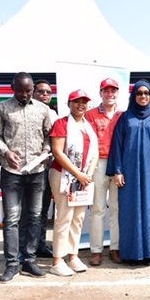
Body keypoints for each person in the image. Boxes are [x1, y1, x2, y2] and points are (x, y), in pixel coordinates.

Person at [0, 72, 52, 283]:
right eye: (21, 91)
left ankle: (29, 259)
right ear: (12, 88)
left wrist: (45, 152)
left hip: (36, 172)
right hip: (11, 171)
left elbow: (48, 136)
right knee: (12, 218)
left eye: (29, 90)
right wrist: (6, 152)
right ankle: (11, 263)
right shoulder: (2, 108)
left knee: (34, 216)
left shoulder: (44, 109)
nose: (25, 95)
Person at [107, 81, 150, 263]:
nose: (143, 96)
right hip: (130, 172)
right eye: (139, 93)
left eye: (146, 93)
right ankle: (132, 253)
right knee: (131, 210)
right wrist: (117, 170)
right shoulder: (125, 118)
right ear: (133, 96)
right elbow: (117, 146)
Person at [48, 90, 99, 276]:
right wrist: (78, 174)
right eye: (76, 102)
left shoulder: (88, 126)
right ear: (69, 104)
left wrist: (88, 175)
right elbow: (57, 151)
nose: (80, 105)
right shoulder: (61, 123)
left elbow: (95, 153)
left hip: (83, 178)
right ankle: (57, 260)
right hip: (64, 175)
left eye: (84, 102)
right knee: (64, 217)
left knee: (78, 218)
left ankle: (73, 256)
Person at [85, 78, 123, 266]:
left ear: (117, 93)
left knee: (116, 209)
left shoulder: (123, 115)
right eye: (106, 91)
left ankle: (114, 248)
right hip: (98, 163)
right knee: (98, 209)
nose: (110, 94)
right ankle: (96, 250)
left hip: (118, 165)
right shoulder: (91, 114)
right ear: (100, 93)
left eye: (113, 91)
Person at [22, 79, 57, 259]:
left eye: (48, 93)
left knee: (43, 208)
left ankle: (40, 243)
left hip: (49, 166)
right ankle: (25, 247)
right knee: (28, 208)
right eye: (41, 91)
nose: (45, 95)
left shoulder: (54, 114)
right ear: (33, 93)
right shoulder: (25, 110)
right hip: (28, 166)